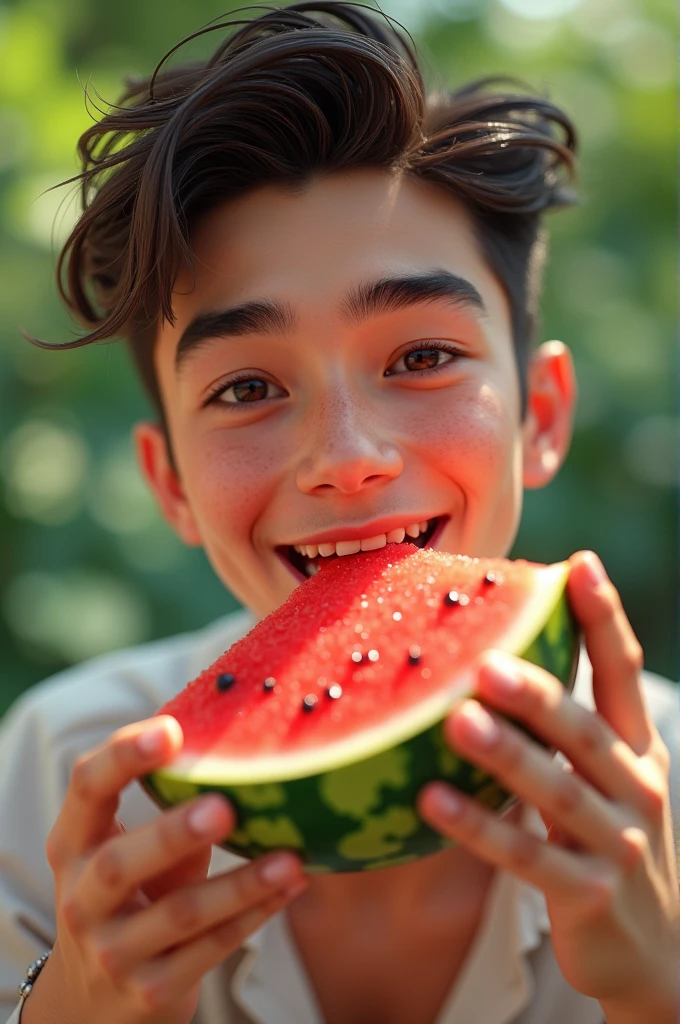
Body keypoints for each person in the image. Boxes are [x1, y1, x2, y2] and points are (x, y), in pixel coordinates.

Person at [1, 3, 678, 1022]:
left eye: (420, 357)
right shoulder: (58, 773)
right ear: (171, 483)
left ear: (539, 415)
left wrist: (657, 989)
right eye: (244, 389)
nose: (347, 459)